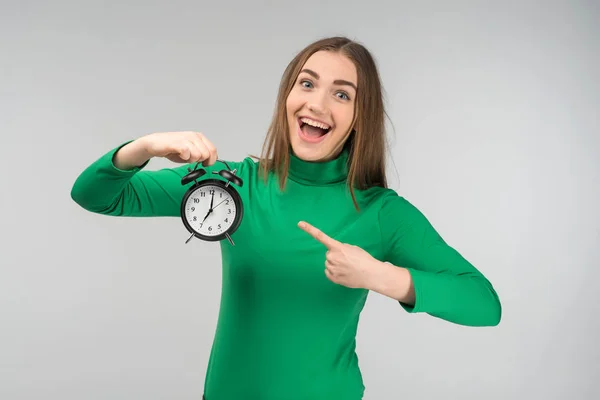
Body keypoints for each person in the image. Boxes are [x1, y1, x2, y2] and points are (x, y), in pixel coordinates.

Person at [71, 36, 501, 400]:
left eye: (341, 93)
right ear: (287, 96)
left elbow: (484, 304)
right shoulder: (232, 184)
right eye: (307, 83)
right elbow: (95, 196)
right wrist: (144, 147)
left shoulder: (382, 213)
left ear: (359, 117)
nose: (316, 103)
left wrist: (381, 276)